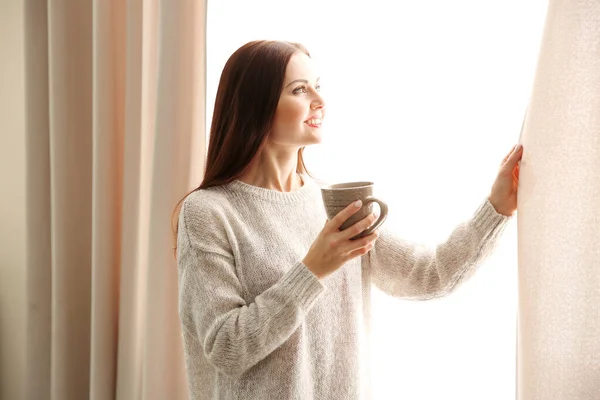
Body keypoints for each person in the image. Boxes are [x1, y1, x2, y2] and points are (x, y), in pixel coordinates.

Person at [174, 40, 523, 400]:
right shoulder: (208, 213)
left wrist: (496, 208)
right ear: (254, 105)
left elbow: (431, 274)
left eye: (318, 86)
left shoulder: (333, 204)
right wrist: (313, 269)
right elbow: (226, 347)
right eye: (299, 89)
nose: (319, 101)